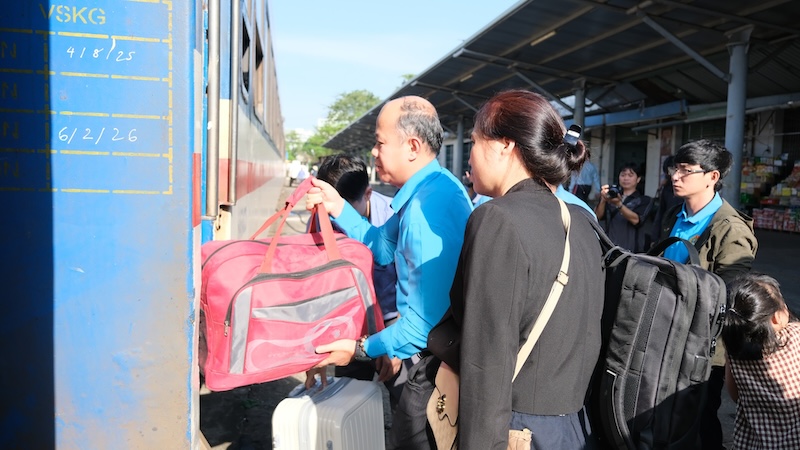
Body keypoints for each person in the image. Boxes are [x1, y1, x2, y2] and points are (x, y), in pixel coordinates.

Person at [304, 96, 473, 448]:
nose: (374, 153)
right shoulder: (427, 189)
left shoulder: (429, 208)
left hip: (431, 361)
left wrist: (361, 348)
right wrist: (337, 206)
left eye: (380, 143)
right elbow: (381, 248)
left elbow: (421, 325)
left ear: (412, 146)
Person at [443, 90, 604, 449]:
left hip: (517, 429)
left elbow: (488, 359)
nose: (469, 157)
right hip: (576, 427)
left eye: (473, 141)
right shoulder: (581, 219)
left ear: (504, 145)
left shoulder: (497, 218)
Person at [656, 139, 758, 450]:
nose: (676, 176)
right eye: (676, 168)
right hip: (665, 331)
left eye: (686, 171)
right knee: (667, 416)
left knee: (698, 421)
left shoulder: (730, 229)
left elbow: (726, 295)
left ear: (712, 177)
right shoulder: (674, 213)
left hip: (702, 344)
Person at [312, 153, 409, 411]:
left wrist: (391, 345)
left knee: (405, 405)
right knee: (348, 401)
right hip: (349, 323)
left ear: (367, 194)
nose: (335, 220)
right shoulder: (323, 218)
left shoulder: (395, 218)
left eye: (339, 211)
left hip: (395, 324)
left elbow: (395, 286)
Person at [722, 273, 800, 449]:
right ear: (776, 317)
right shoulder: (796, 336)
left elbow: (735, 396)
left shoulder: (735, 355)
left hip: (756, 443)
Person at [594, 162, 652, 252]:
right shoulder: (611, 196)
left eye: (630, 175)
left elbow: (636, 220)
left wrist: (618, 204)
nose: (626, 178)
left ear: (638, 179)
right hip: (609, 248)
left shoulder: (644, 200)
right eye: (623, 175)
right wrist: (603, 199)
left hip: (631, 251)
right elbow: (598, 216)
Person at [647, 155, 682, 248]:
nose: (674, 176)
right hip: (666, 232)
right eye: (670, 171)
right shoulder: (666, 189)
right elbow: (660, 213)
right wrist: (654, 238)